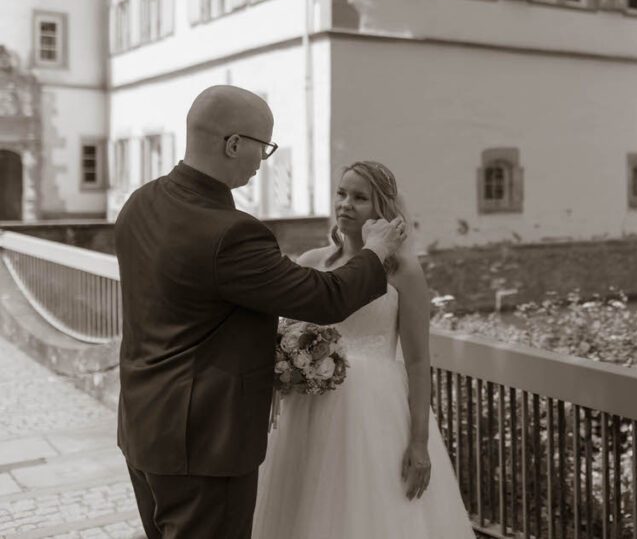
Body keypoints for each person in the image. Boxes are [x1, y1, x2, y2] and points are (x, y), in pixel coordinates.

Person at [114, 85, 407, 539]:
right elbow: (323, 296)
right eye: (264, 147)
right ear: (233, 144)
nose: (262, 161)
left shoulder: (139, 203)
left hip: (144, 424)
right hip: (205, 443)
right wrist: (376, 252)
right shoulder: (231, 233)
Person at [251, 161, 475, 538]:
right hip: (308, 406)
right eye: (341, 193)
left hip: (375, 414)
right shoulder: (311, 262)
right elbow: (287, 331)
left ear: (381, 209)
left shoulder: (403, 271)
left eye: (359, 197)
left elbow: (419, 361)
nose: (345, 204)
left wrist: (419, 442)